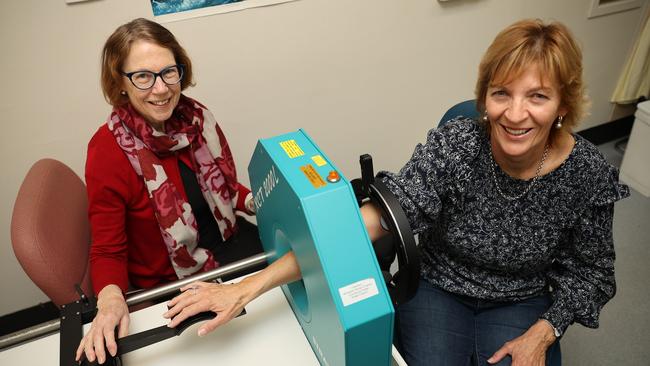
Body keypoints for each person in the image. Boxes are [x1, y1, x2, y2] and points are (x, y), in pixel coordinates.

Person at [165, 18, 629, 366]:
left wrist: (545, 332)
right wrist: (245, 288)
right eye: (501, 93)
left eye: (538, 97)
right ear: (484, 96)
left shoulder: (586, 175)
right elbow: (362, 226)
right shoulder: (456, 146)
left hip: (521, 299)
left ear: (564, 106)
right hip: (439, 287)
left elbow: (593, 275)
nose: (515, 114)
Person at [76, 18, 264, 364]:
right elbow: (106, 249)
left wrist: (258, 200)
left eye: (169, 72)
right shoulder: (107, 152)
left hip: (229, 244)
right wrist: (111, 299)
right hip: (175, 280)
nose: (161, 89)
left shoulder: (196, 120)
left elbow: (220, 190)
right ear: (120, 83)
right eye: (143, 76)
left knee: (302, 276)